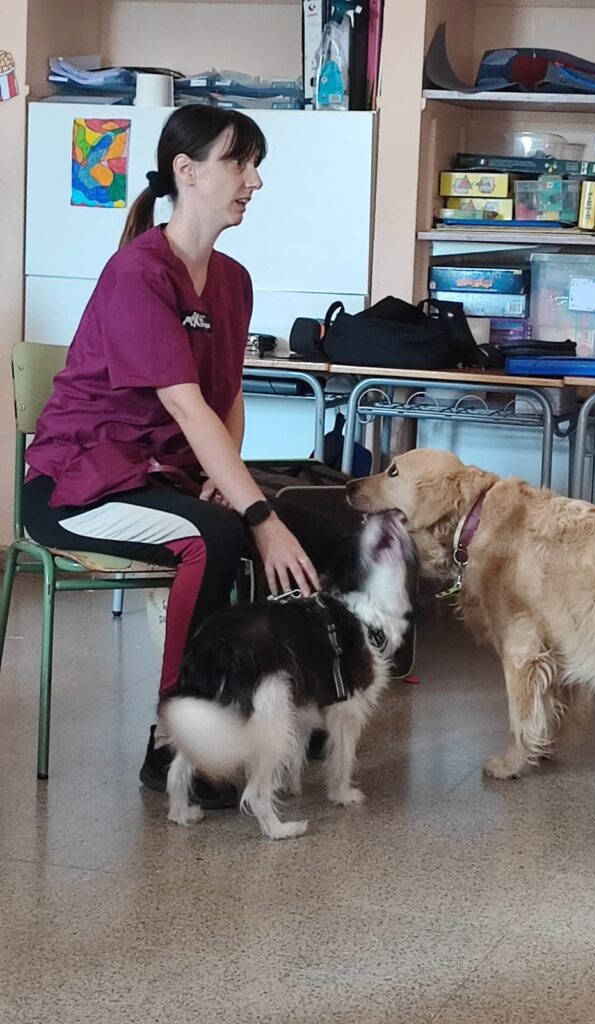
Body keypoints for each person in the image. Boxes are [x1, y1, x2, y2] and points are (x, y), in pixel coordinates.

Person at [23, 105, 323, 807]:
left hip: (160, 478)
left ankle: (269, 714)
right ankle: (172, 743)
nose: (253, 181)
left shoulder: (233, 280)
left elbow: (228, 397)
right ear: (187, 171)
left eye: (256, 165)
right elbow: (187, 407)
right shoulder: (138, 273)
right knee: (219, 536)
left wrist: (227, 480)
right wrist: (251, 512)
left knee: (298, 515)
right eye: (239, 163)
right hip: (78, 486)